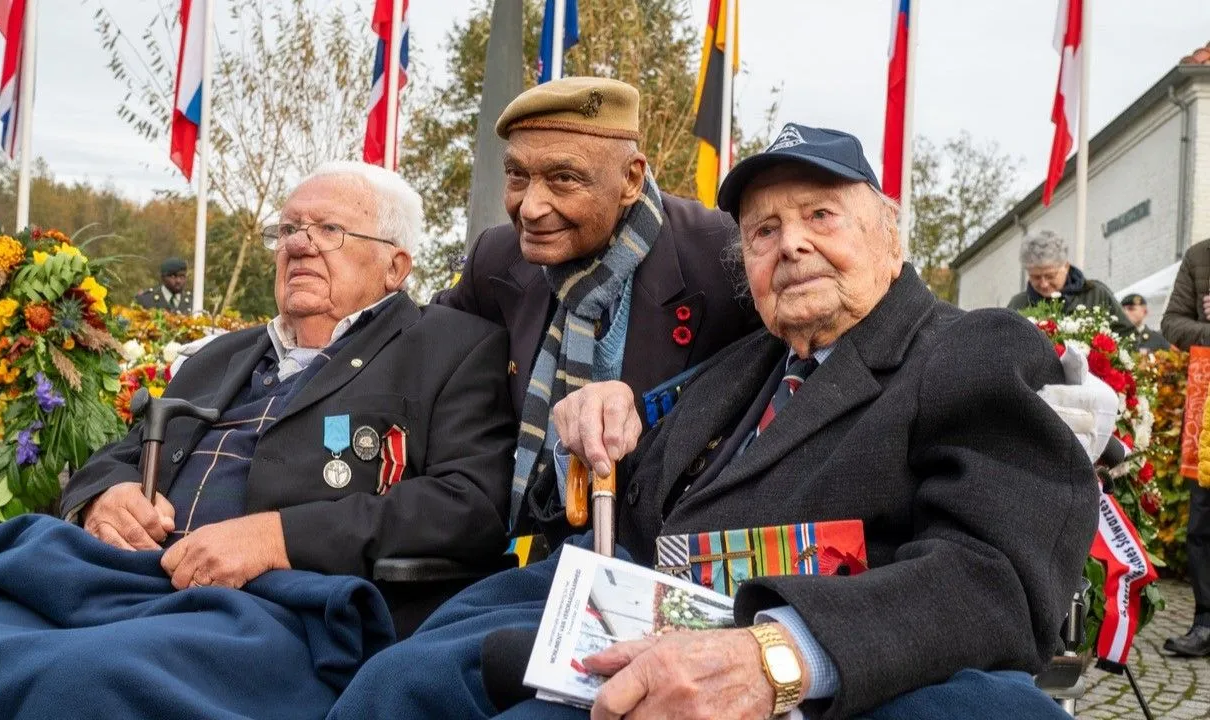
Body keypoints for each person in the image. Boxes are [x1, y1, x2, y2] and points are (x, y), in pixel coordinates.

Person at [339, 124, 1102, 720]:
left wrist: (778, 657)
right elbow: (616, 508)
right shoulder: (742, 366)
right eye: (763, 231)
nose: (791, 243)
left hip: (811, 676)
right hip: (625, 634)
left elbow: (999, 575)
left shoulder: (969, 347)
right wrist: (596, 421)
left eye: (821, 216)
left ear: (890, 240)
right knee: (403, 678)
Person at [0, 162, 517, 718]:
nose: (298, 243)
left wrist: (277, 538)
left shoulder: (452, 348)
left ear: (395, 266)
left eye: (329, 229)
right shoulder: (222, 354)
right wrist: (105, 496)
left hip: (281, 608)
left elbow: (469, 506)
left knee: (80, 681)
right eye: (288, 229)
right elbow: (121, 452)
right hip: (127, 579)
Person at [434, 76, 759, 530]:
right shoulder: (496, 258)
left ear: (630, 179)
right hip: (527, 544)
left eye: (563, 178)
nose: (530, 207)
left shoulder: (726, 254)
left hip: (666, 545)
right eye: (517, 176)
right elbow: (434, 358)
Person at [1159, 237, 1210, 657]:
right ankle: (1205, 621)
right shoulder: (1199, 257)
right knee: (1202, 524)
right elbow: (1172, 323)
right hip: (1207, 411)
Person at [1007, 230, 1131, 336]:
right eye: (1035, 277)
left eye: (1050, 276)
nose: (1044, 284)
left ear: (1065, 266)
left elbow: (1127, 334)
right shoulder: (1017, 305)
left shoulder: (1096, 294)